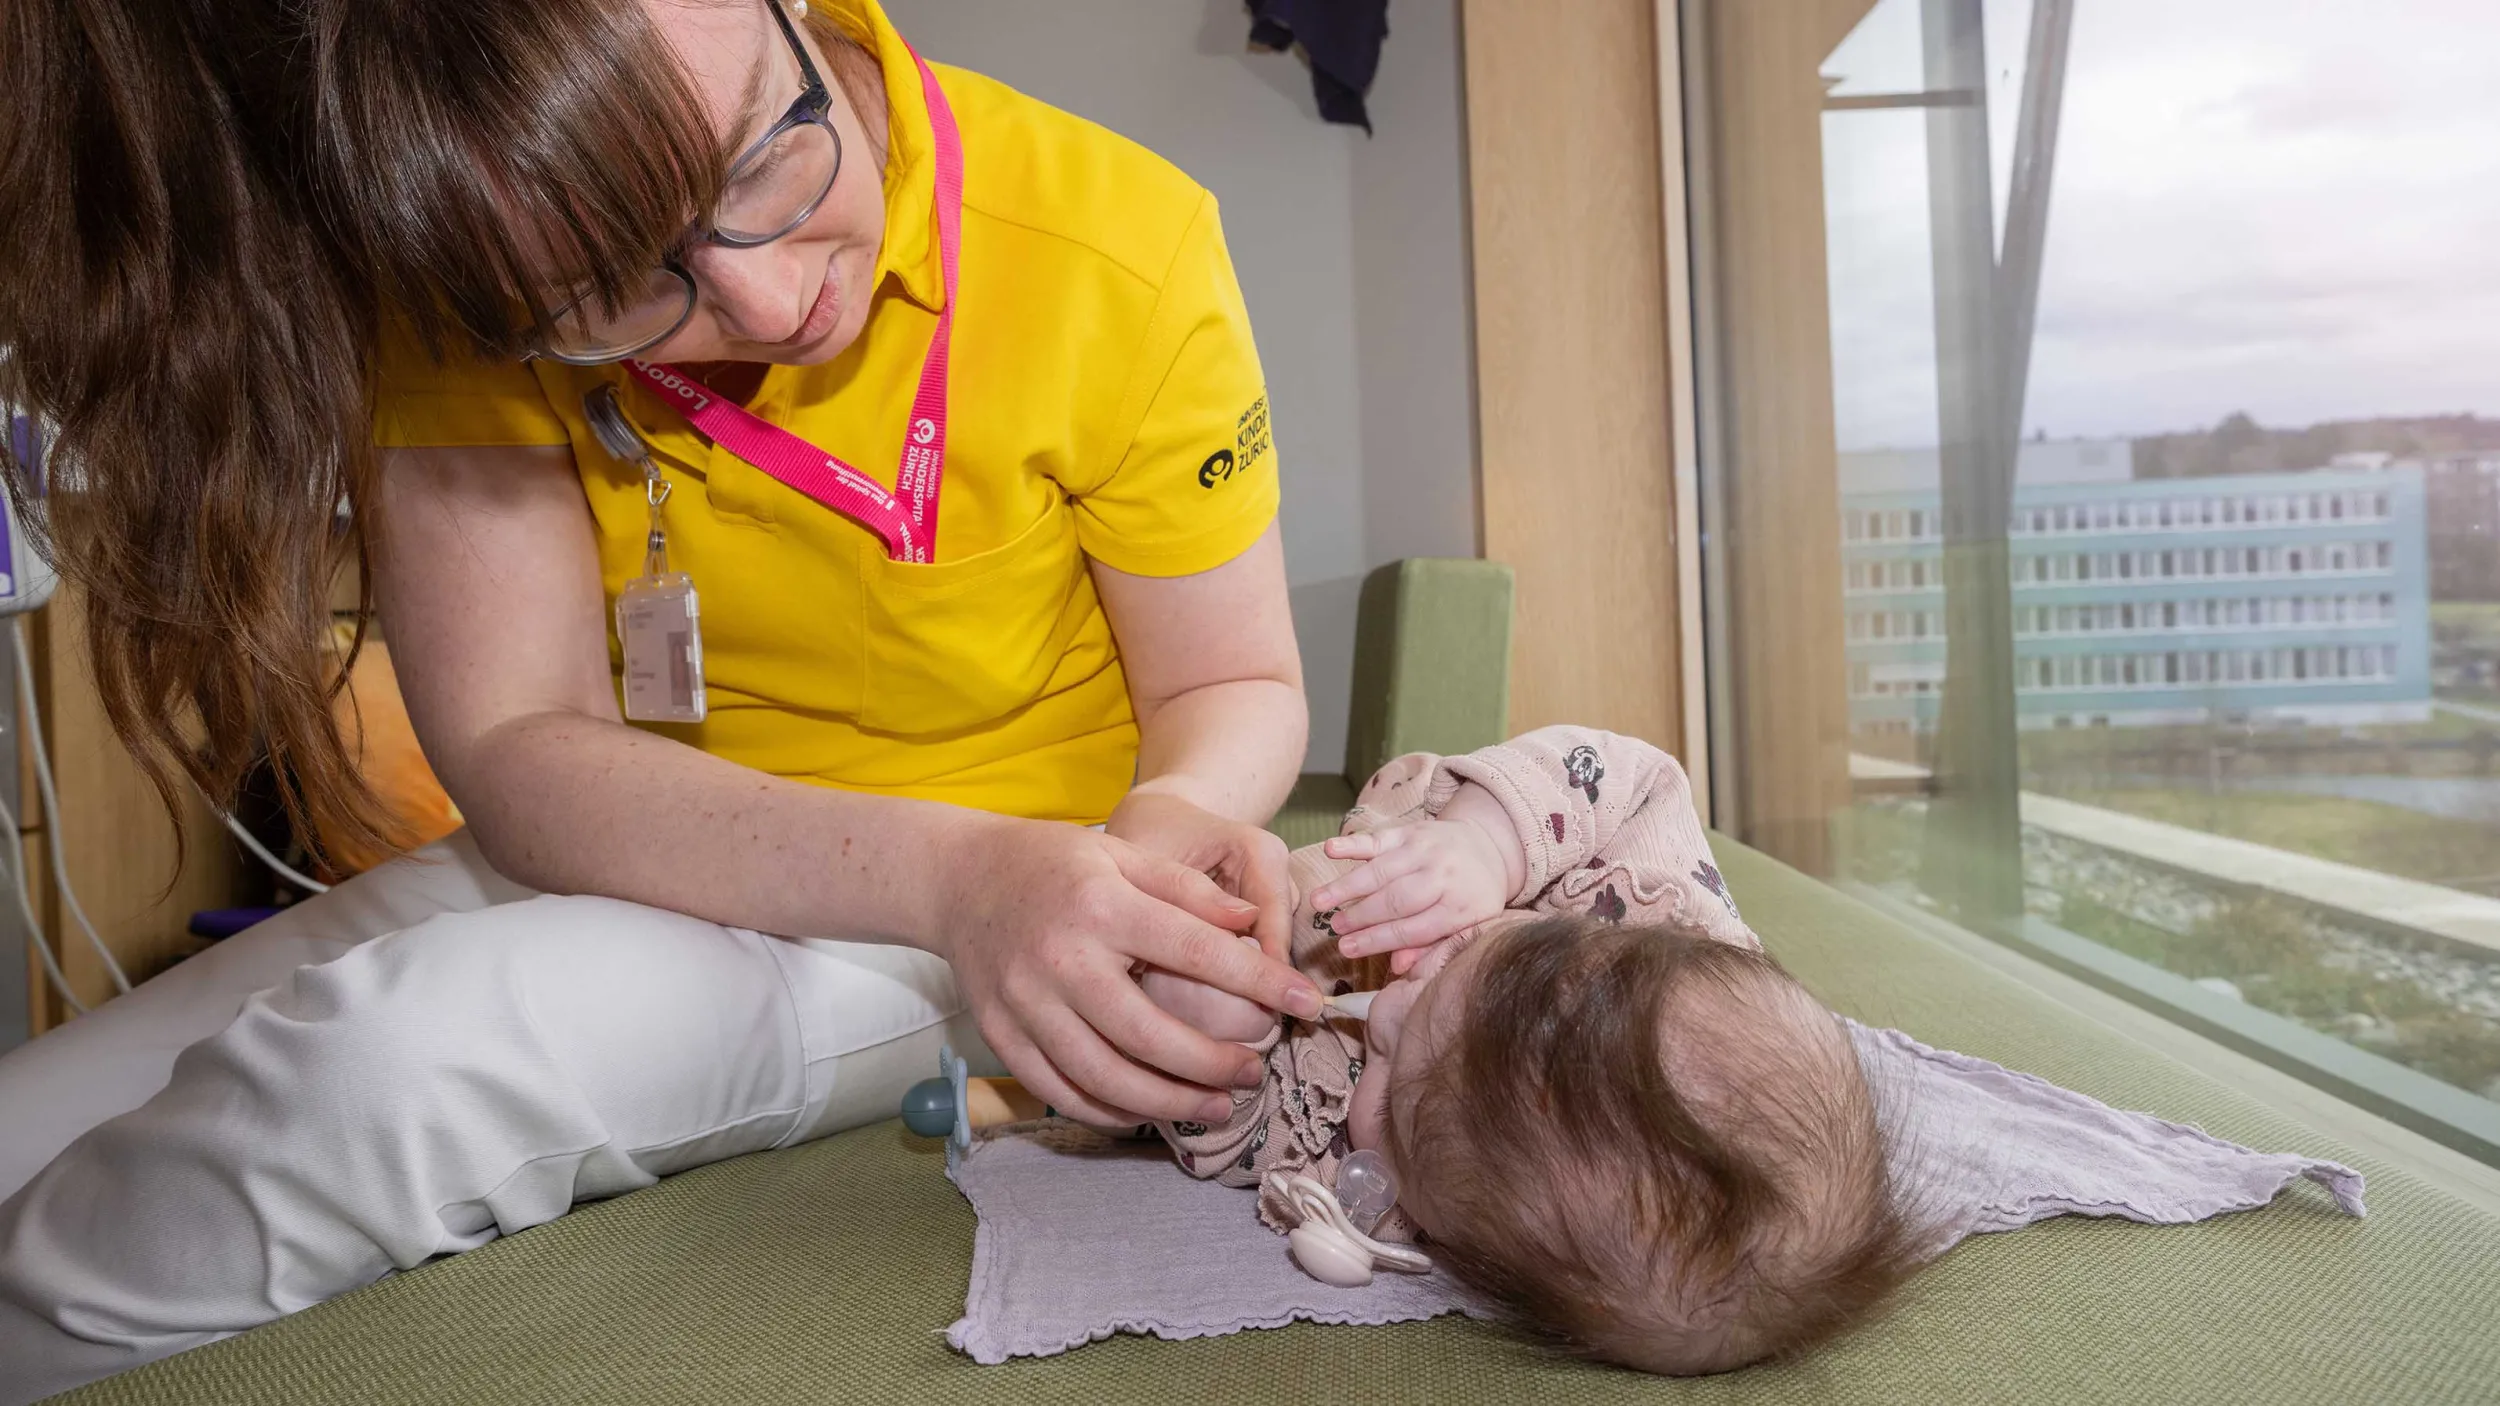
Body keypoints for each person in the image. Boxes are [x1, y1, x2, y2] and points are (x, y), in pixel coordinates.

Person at [0, 0, 1328, 1394]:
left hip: (992, 916)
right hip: (632, 838)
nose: (763, 306)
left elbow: (1233, 677)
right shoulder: (477, 263)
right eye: (625, 288)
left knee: (390, 1073)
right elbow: (519, 746)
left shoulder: (1119, 243)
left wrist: (1153, 831)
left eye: (761, 163)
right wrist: (956, 873)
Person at [1144, 727, 1918, 1374]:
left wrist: (1208, 1020)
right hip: (1403, 844)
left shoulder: (1371, 1197)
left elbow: (1230, 1135)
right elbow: (1632, 778)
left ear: (1463, 1252)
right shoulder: (1648, 908)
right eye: (1455, 969)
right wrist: (1486, 844)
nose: (1382, 1018)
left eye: (1390, 1088)